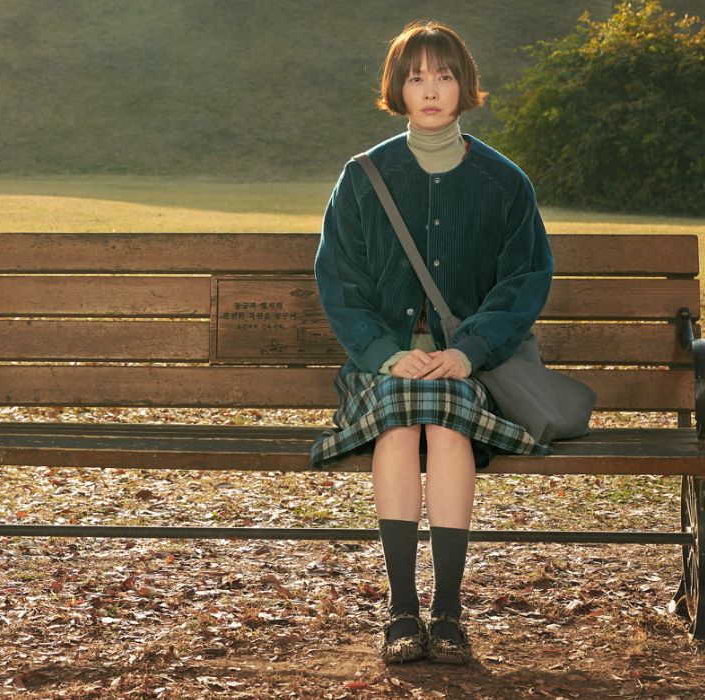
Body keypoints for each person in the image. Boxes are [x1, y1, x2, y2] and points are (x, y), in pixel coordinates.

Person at [309, 20, 554, 665]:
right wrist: (387, 353)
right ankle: (401, 611)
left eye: (443, 75)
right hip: (382, 362)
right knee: (398, 422)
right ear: (398, 87)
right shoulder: (363, 177)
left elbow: (524, 281)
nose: (431, 89)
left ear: (463, 84)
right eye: (416, 76)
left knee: (444, 423)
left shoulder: (505, 182)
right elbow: (341, 280)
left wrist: (468, 350)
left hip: (470, 365)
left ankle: (446, 610)